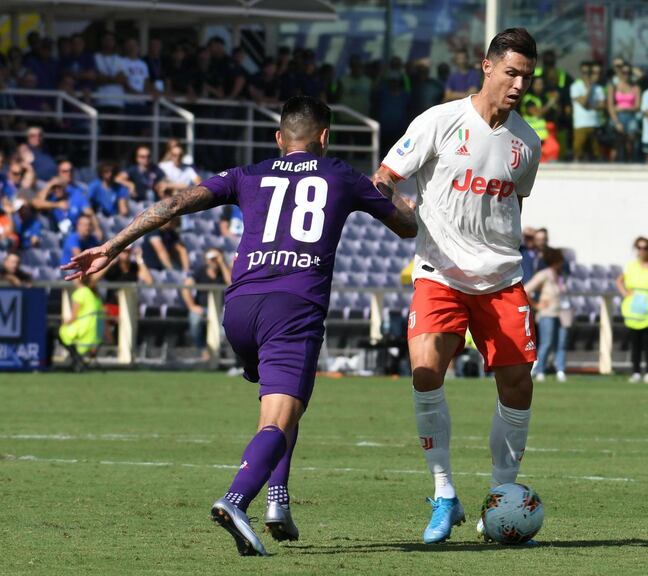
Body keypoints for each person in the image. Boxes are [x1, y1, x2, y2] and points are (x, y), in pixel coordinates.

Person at [61, 95, 417, 556]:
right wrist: (389, 193)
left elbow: (172, 204)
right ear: (324, 138)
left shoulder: (247, 175)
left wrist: (111, 246)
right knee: (280, 415)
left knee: (282, 407)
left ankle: (278, 500)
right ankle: (235, 500)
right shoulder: (342, 175)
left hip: (240, 310)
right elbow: (406, 227)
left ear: (278, 138)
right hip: (294, 307)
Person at [372, 28, 541, 544]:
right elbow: (384, 176)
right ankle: (444, 493)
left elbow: (514, 204)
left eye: (526, 78)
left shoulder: (527, 143)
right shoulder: (440, 121)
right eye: (510, 72)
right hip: (439, 274)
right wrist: (394, 209)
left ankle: (500, 500)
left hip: (501, 279)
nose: (517, 85)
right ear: (486, 67)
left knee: (518, 385)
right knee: (426, 370)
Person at [616, 237, 648, 383]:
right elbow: (619, 281)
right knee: (635, 344)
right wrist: (625, 293)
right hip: (633, 309)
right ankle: (636, 372)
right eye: (639, 248)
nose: (641, 251)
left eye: (645, 248)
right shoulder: (631, 266)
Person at [525, 247, 570, 382]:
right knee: (547, 342)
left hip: (562, 313)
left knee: (561, 343)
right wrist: (536, 305)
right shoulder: (543, 274)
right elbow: (526, 290)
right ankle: (540, 370)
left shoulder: (561, 275)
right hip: (547, 313)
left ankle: (560, 370)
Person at [181, 248, 231, 361]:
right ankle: (202, 350)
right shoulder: (200, 271)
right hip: (203, 308)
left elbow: (231, 283)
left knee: (226, 328)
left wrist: (222, 263)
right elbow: (185, 288)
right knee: (195, 320)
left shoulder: (224, 271)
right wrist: (192, 306)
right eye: (212, 258)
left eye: (216, 258)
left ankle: (218, 351)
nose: (214, 261)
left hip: (221, 309)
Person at [58, 275, 104, 369]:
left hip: (84, 330)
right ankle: (78, 360)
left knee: (59, 332)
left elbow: (74, 317)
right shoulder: (94, 294)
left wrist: (64, 323)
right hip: (96, 332)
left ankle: (77, 360)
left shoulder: (80, 293)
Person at [570, 61, 605, 161]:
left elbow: (602, 105)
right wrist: (589, 89)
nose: (587, 75)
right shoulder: (575, 87)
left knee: (595, 154)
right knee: (578, 153)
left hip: (595, 124)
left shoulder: (598, 88)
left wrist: (590, 105)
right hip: (580, 124)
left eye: (589, 72)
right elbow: (584, 103)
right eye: (584, 72)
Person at [607, 63, 640, 162]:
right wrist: (616, 122)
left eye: (629, 73)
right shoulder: (613, 86)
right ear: (620, 73)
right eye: (624, 72)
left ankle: (629, 164)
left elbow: (637, 107)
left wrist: (623, 108)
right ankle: (611, 169)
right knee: (616, 144)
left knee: (630, 143)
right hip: (617, 117)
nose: (626, 75)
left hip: (630, 117)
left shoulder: (635, 87)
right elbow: (610, 106)